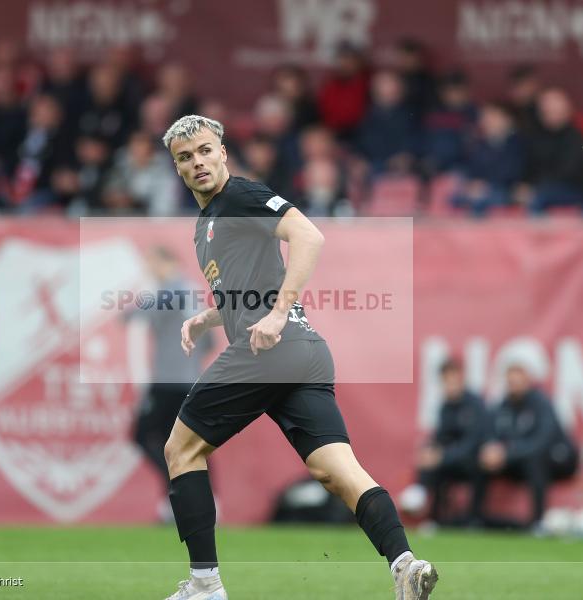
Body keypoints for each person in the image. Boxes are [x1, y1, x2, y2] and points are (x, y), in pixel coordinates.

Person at [159, 115, 437, 600]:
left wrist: (277, 313)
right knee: (338, 470)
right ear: (177, 169)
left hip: (272, 349)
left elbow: (310, 236)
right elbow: (244, 289)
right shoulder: (207, 223)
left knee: (180, 450)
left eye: (205, 150)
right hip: (303, 353)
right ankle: (405, 565)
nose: (198, 162)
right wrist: (208, 319)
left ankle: (205, 586)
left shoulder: (241, 196)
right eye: (186, 157)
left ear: (223, 151)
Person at [128, 246, 213, 521]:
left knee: (143, 435)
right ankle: (195, 501)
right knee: (184, 442)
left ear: (166, 262)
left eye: (151, 263)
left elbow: (133, 315)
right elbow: (209, 341)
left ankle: (177, 489)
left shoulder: (171, 291)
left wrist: (143, 293)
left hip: (168, 382)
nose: (148, 269)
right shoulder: (190, 294)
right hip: (188, 380)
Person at [470, 363, 578, 529]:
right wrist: (491, 449)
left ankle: (538, 521)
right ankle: (475, 519)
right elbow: (490, 432)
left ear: (527, 380)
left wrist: (507, 453)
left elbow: (542, 441)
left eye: (518, 380)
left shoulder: (541, 403)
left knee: (535, 460)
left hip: (557, 459)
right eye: (510, 381)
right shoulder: (502, 406)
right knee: (482, 459)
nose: (514, 385)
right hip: (518, 460)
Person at [399, 359, 486, 524]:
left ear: (461, 378)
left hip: (473, 461)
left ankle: (473, 519)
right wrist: (429, 450)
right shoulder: (444, 407)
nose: (450, 385)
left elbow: (473, 443)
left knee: (449, 462)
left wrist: (444, 456)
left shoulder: (475, 404)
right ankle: (430, 512)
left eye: (453, 380)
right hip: (451, 461)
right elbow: (440, 437)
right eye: (446, 381)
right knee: (431, 460)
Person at [518, 88, 583, 212]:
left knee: (538, 198)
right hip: (540, 188)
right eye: (546, 111)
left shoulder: (576, 138)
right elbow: (528, 167)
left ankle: (537, 231)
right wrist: (525, 186)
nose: (550, 114)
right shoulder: (535, 136)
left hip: (571, 190)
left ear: (566, 111)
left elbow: (568, 172)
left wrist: (536, 188)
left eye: (554, 110)